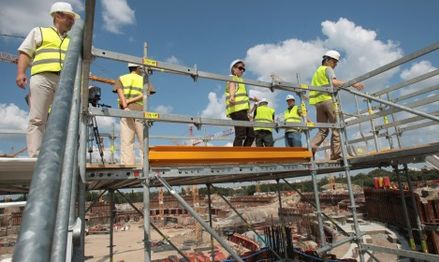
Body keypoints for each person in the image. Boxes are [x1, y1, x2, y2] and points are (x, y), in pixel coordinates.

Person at [15, 2, 79, 157]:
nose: (72, 21)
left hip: (65, 82)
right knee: (37, 118)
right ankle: (36, 156)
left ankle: (61, 158)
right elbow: (25, 52)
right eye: (69, 18)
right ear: (58, 16)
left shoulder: (72, 41)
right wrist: (21, 73)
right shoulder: (39, 32)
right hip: (42, 78)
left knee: (65, 120)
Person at [309, 50, 364, 160]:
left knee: (323, 130)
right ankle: (335, 155)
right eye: (334, 62)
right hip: (328, 101)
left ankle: (310, 151)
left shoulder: (317, 72)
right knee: (336, 128)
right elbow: (334, 82)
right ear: (327, 60)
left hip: (318, 104)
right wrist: (353, 83)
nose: (335, 65)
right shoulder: (327, 69)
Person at [114, 63, 155, 165]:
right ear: (137, 68)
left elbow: (120, 93)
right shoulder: (143, 80)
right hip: (140, 112)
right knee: (143, 140)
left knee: (126, 141)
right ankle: (145, 164)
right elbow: (146, 94)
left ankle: (127, 164)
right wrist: (131, 100)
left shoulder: (121, 78)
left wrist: (126, 105)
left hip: (125, 111)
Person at [225, 59, 258, 146]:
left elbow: (242, 95)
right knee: (240, 134)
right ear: (233, 69)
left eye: (243, 69)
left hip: (243, 111)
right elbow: (232, 86)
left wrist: (252, 99)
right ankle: (236, 157)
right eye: (240, 68)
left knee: (251, 135)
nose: (242, 70)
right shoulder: (232, 78)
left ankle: (244, 154)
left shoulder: (240, 81)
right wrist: (232, 96)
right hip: (236, 110)